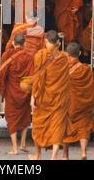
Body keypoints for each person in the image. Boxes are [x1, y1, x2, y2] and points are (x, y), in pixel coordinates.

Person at [30, 30, 71, 160]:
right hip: (59, 99)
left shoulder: (39, 55)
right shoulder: (64, 57)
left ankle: (38, 155)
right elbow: (66, 79)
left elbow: (37, 78)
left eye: (46, 42)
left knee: (38, 125)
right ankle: (54, 157)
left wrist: (33, 96)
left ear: (47, 42)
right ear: (58, 43)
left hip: (43, 98)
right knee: (57, 127)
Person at [0, 34, 34, 155]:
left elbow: (2, 74)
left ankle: (15, 148)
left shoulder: (7, 55)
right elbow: (32, 75)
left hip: (11, 92)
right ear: (25, 44)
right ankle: (22, 143)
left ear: (13, 43)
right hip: (24, 91)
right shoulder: (29, 57)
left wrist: (2, 88)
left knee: (11, 118)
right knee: (25, 117)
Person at [62, 43, 94, 160]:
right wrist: (92, 103)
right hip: (83, 105)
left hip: (68, 104)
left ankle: (65, 155)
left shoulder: (63, 69)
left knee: (65, 127)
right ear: (80, 54)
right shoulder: (86, 69)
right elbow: (91, 88)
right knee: (84, 127)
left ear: (67, 54)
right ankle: (83, 152)